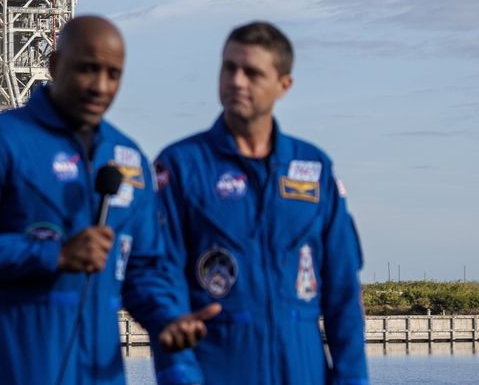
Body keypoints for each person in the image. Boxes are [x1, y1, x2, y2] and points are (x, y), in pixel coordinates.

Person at [0, 16, 217, 385]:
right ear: (54, 65)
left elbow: (145, 268)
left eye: (112, 74)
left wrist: (168, 318)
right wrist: (55, 256)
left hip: (103, 373)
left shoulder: (127, 157)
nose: (100, 86)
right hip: (23, 370)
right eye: (87, 69)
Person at [152, 21, 368, 384]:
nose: (236, 81)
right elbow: (160, 283)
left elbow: (344, 294)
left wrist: (353, 380)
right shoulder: (180, 167)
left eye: (252, 72)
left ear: (284, 85)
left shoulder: (313, 169)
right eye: (229, 68)